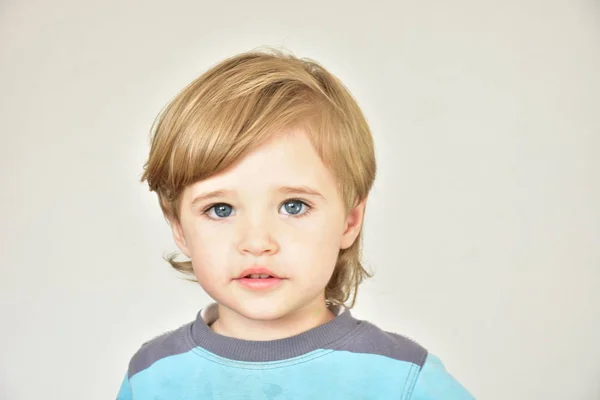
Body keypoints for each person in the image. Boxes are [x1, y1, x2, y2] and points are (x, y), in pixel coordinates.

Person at [116, 48, 475, 399]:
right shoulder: (152, 376)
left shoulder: (402, 379)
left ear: (350, 220)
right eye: (221, 209)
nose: (257, 242)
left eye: (293, 206)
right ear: (179, 228)